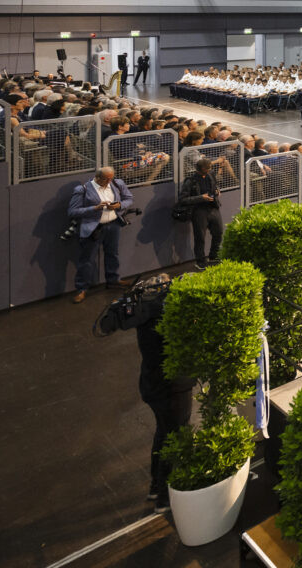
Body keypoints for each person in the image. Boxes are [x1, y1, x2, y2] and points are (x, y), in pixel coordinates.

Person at [134, 275, 192, 507]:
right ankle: (166, 497)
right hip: (171, 387)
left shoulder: (144, 317)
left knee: (163, 433)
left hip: (151, 385)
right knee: (175, 436)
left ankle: (156, 486)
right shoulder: (164, 320)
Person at [66, 166, 134, 303]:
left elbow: (129, 199)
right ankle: (82, 289)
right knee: (87, 260)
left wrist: (119, 205)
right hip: (93, 228)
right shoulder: (82, 190)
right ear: (97, 177)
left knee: (112, 254)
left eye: (111, 178)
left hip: (113, 225)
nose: (109, 181)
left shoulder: (117, 183)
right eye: (106, 179)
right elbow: (72, 212)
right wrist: (95, 208)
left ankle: (113, 280)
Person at [176, 157, 224, 267]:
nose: (209, 170)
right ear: (199, 169)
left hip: (213, 208)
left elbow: (215, 185)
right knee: (200, 238)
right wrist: (201, 198)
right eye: (206, 169)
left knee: (218, 233)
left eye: (209, 168)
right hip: (199, 211)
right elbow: (183, 200)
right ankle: (200, 261)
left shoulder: (211, 174)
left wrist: (217, 191)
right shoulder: (190, 181)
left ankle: (214, 256)